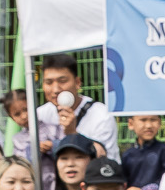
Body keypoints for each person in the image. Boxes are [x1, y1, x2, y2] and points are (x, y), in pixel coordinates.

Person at [32, 53, 117, 182]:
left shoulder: (101, 114)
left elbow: (105, 160)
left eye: (62, 81)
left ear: (77, 82)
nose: (56, 89)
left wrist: (72, 134)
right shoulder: (40, 115)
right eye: (48, 82)